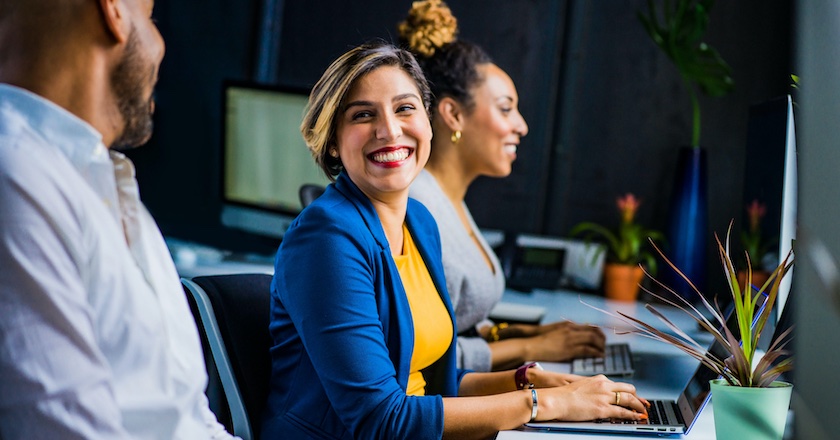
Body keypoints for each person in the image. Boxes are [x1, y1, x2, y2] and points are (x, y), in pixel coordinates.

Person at [261, 40, 648, 439]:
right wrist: (542, 404)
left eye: (405, 108)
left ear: (429, 122)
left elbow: (434, 386)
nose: (390, 130)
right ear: (332, 142)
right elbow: (381, 419)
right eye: (363, 115)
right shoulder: (327, 239)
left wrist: (530, 382)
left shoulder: (420, 222)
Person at [0, 1, 236, 438]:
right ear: (114, 11)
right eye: (151, 18)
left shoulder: (109, 188)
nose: (161, 46)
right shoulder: (15, 176)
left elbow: (187, 417)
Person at [401, 0, 606, 372]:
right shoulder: (418, 208)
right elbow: (423, 359)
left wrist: (524, 334)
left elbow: (457, 323)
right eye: (506, 108)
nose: (521, 126)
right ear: (453, 114)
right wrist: (532, 348)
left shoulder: (449, 200)